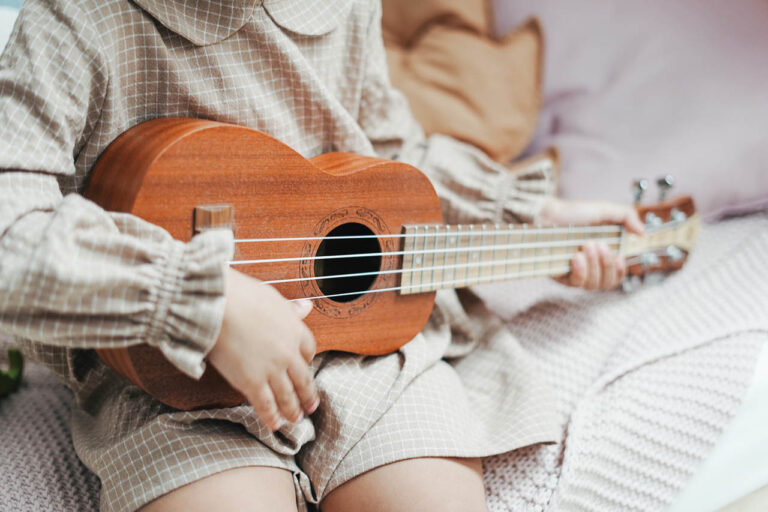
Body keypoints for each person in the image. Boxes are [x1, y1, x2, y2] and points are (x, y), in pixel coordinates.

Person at [0, 1, 642, 511]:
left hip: (369, 352)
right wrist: (202, 299)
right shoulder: (77, 22)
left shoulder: (342, 7)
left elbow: (392, 156)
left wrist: (535, 218)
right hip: (171, 377)